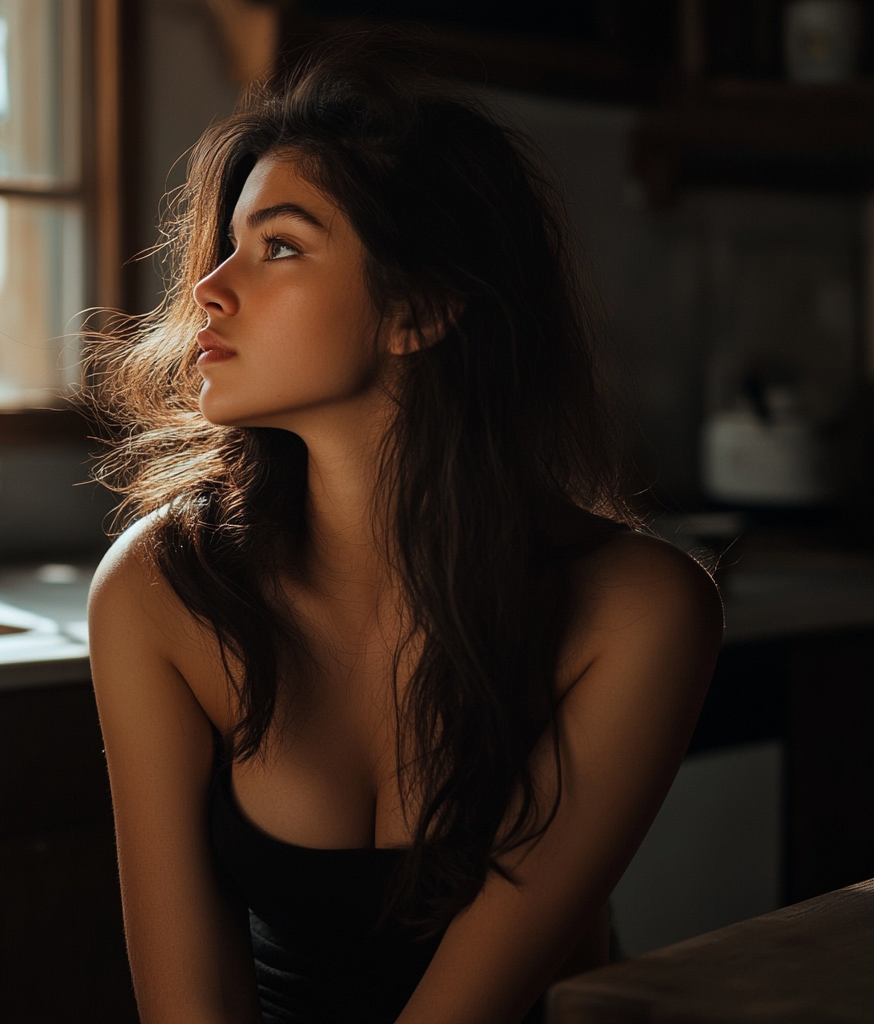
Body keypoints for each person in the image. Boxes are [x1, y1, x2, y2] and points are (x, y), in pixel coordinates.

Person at [88, 40, 723, 1024]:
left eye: (280, 245)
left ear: (420, 309)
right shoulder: (162, 589)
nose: (208, 288)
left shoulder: (637, 609)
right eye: (226, 243)